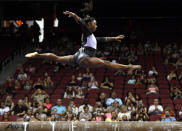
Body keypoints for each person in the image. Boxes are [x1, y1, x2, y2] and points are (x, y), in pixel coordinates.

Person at [25, 11, 141, 71]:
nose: (96, 26)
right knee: (107, 64)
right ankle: (128, 67)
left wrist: (114, 38)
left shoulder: (90, 36)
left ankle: (37, 55)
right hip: (84, 56)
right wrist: (75, 16)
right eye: (95, 24)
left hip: (77, 56)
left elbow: (101, 39)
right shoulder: (87, 31)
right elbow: (82, 23)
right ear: (89, 24)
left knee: (57, 58)